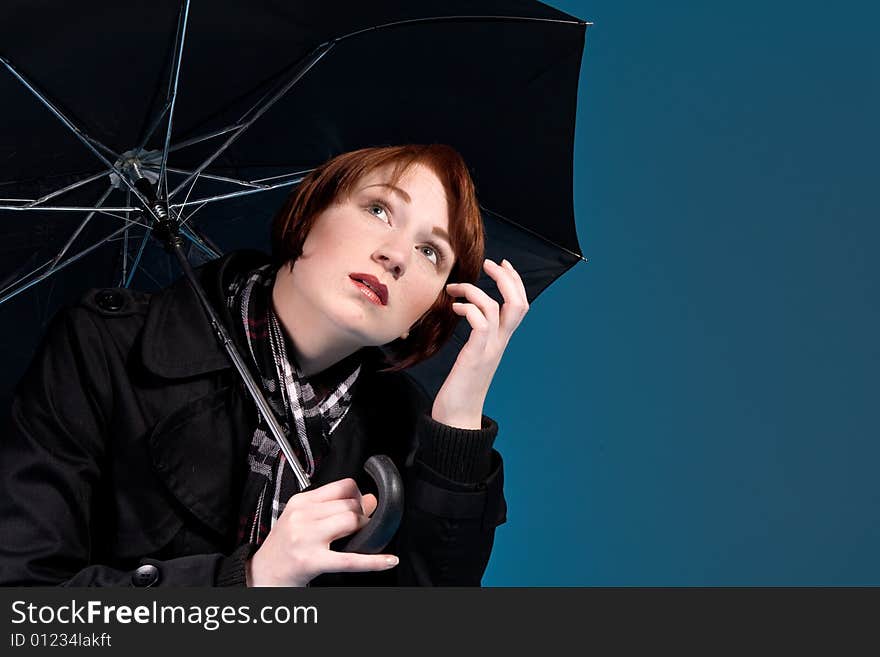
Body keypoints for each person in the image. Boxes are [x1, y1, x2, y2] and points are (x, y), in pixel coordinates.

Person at [0, 144, 529, 587]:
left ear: (428, 311)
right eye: (378, 210)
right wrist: (249, 579)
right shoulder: (104, 349)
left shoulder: (404, 428)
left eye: (431, 253)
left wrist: (459, 421)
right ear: (308, 219)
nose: (396, 255)